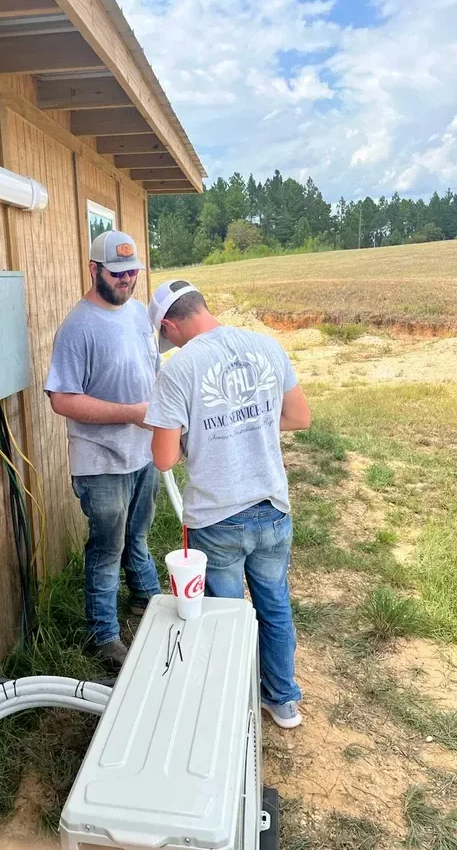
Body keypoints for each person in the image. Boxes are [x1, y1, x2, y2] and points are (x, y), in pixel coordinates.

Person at [145, 280, 311, 728]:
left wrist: (196, 435)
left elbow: (163, 457)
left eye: (166, 337)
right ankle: (283, 700)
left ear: (169, 325)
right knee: (274, 605)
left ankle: (234, 703)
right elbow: (299, 416)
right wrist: (252, 424)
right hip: (272, 507)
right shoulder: (266, 347)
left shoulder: (177, 371)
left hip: (216, 519)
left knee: (223, 614)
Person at [45, 230, 162, 673]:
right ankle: (103, 634)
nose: (128, 279)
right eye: (117, 273)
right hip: (101, 460)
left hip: (143, 451)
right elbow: (62, 399)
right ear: (94, 270)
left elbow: (152, 369)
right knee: (107, 546)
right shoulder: (78, 328)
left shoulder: (137, 314)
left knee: (138, 532)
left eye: (133, 271)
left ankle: (145, 599)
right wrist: (130, 413)